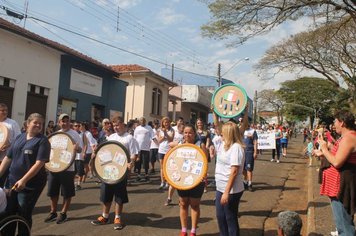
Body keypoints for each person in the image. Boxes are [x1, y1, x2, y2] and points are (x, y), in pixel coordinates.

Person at [0, 113, 50, 235]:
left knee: (23, 212)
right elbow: (8, 157)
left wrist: (24, 180)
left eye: (40, 123)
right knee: (9, 211)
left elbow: (39, 163)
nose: (38, 125)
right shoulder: (19, 137)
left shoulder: (43, 141)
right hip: (12, 181)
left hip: (30, 185)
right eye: (35, 122)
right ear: (28, 123)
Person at [91, 116, 138, 230]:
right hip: (107, 171)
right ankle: (105, 216)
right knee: (106, 194)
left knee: (119, 196)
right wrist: (95, 154)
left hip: (121, 172)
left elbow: (134, 154)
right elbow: (105, 151)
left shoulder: (129, 138)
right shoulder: (111, 137)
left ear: (123, 124)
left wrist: (131, 163)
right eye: (114, 126)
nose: (116, 128)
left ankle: (117, 217)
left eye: (117, 125)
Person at [314, 110, 356, 236]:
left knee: (344, 226)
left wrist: (325, 149)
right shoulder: (346, 137)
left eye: (335, 122)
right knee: (342, 223)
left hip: (341, 187)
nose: (333, 125)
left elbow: (337, 162)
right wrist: (326, 150)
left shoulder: (349, 138)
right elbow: (340, 154)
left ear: (342, 122)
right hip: (337, 186)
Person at [44, 113, 83, 224]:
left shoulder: (75, 134)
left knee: (67, 192)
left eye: (67, 121)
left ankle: (63, 213)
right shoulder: (56, 134)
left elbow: (79, 150)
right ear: (59, 122)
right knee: (52, 191)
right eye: (63, 121)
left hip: (68, 168)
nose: (65, 123)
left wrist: (77, 148)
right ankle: (53, 212)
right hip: (54, 167)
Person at [174, 124, 206, 236]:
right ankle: (183, 230)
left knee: (194, 205)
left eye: (190, 132)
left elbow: (205, 162)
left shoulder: (200, 145)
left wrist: (203, 176)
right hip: (182, 180)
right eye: (185, 132)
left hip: (197, 180)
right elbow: (174, 162)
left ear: (194, 133)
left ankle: (193, 231)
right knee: (183, 203)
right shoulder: (179, 145)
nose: (187, 135)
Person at [215, 121, 245, 236]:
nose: (220, 134)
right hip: (220, 188)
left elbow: (234, 172)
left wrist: (226, 192)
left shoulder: (236, 148)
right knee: (220, 217)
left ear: (229, 133)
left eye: (223, 133)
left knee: (230, 218)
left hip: (232, 190)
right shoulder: (224, 145)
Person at [0, 103, 21, 187]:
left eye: (6, 110)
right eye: (2, 110)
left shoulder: (12, 123)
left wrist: (9, 144)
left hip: (6, 159)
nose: (5, 112)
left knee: (3, 181)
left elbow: (18, 139)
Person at [134, 117, 154, 182]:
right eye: (141, 120)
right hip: (138, 148)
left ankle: (146, 175)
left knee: (145, 162)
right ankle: (138, 175)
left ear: (145, 121)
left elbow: (152, 136)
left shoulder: (149, 128)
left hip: (146, 148)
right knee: (138, 162)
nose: (142, 121)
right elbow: (135, 137)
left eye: (143, 120)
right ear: (139, 122)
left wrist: (151, 142)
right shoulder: (137, 128)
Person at [157, 117, 174, 190]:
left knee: (168, 166)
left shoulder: (172, 130)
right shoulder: (159, 130)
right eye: (165, 122)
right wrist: (164, 136)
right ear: (162, 123)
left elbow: (171, 139)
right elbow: (159, 141)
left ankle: (167, 181)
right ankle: (162, 182)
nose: (166, 124)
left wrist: (165, 134)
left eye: (167, 122)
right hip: (161, 150)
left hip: (169, 150)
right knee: (162, 167)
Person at [243, 123, 258, 191]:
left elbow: (255, 142)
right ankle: (245, 182)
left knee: (249, 169)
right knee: (243, 169)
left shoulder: (253, 131)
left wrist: (255, 152)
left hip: (249, 152)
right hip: (242, 152)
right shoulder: (240, 130)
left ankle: (250, 183)